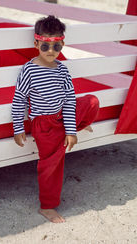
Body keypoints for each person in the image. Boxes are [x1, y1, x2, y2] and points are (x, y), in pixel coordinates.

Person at [12, 15, 99, 223]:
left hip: (62, 116)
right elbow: (19, 100)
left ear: (62, 45)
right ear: (36, 44)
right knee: (52, 163)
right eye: (45, 47)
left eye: (56, 47)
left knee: (92, 101)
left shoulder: (62, 70)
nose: (51, 52)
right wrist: (18, 128)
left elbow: (70, 100)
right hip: (44, 124)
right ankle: (47, 206)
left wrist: (70, 130)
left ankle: (75, 127)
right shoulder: (29, 70)